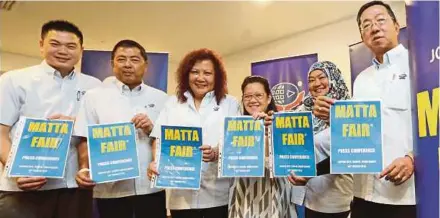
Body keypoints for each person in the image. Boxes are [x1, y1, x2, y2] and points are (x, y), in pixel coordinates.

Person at [291, 1, 416, 218]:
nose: (374, 28)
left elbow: (432, 125)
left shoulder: (418, 65)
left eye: (380, 20)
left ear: (397, 25)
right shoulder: (362, 80)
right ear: (362, 35)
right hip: (361, 195)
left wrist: (412, 158)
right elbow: (357, 139)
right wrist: (336, 121)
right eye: (366, 25)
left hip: (405, 196)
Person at [0, 20, 101, 218]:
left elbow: (96, 134)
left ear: (82, 50)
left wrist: (86, 165)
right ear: (41, 45)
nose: (63, 51)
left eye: (71, 46)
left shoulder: (94, 85)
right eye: (55, 44)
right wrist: (17, 171)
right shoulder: (14, 80)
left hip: (75, 186)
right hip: (24, 187)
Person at [73, 39, 168, 218]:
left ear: (146, 65)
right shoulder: (94, 97)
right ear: (112, 64)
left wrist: (151, 129)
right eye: (121, 59)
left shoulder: (162, 98)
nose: (127, 65)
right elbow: (85, 136)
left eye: (134, 59)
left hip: (152, 187)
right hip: (112, 188)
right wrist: (84, 168)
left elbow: (169, 139)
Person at [147, 48, 240, 218]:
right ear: (186, 75)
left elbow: (236, 142)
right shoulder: (172, 103)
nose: (200, 78)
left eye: (207, 73)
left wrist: (216, 152)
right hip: (181, 194)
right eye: (195, 72)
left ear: (217, 77)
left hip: (219, 195)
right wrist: (156, 161)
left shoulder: (230, 103)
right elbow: (158, 138)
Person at [288, 61, 353, 218]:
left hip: (337, 201)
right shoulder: (303, 111)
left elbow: (351, 153)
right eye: (311, 80)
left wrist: (312, 171)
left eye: (321, 77)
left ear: (333, 78)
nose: (316, 83)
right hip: (309, 199)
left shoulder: (349, 110)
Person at [228, 75, 297, 218]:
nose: (252, 100)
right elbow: (226, 157)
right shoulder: (234, 126)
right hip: (243, 195)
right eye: (247, 96)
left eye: (258, 95)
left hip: (274, 194)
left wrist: (267, 134)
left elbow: (290, 162)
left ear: (269, 98)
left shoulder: (283, 124)